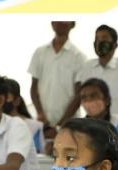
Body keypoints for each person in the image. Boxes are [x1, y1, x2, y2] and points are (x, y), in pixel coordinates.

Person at [63, 25, 118, 134]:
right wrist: (62, 124)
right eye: (97, 39)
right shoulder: (87, 66)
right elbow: (78, 98)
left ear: (115, 45)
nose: (99, 42)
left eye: (104, 38)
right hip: (93, 130)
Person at [29, 22, 85, 150]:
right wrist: (40, 113)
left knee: (68, 164)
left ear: (72, 24)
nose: (60, 22)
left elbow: (79, 95)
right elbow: (33, 87)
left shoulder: (79, 57)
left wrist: (60, 126)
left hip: (70, 125)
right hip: (43, 126)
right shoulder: (40, 52)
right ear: (52, 23)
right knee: (43, 164)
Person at [78, 78, 118, 170]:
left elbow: (113, 148)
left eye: (93, 96)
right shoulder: (80, 127)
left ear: (106, 100)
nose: (89, 101)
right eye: (84, 98)